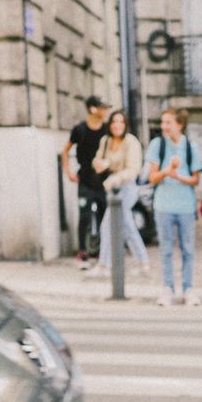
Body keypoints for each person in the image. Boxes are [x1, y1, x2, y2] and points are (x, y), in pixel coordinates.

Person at [147, 107, 202, 306]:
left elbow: (196, 179)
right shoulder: (157, 145)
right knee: (166, 249)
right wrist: (167, 171)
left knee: (188, 248)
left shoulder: (190, 147)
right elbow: (152, 178)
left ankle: (188, 288)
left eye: (168, 122)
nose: (164, 127)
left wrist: (178, 176)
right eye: (163, 123)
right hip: (163, 204)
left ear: (179, 124)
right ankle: (167, 288)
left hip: (185, 205)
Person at [87, 109, 150, 278]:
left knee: (107, 225)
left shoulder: (132, 142)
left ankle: (104, 265)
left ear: (125, 125)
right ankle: (143, 263)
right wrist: (99, 164)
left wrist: (115, 178)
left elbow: (133, 169)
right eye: (114, 122)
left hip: (127, 188)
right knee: (128, 225)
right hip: (111, 189)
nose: (117, 125)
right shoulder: (106, 141)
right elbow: (97, 159)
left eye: (121, 122)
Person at [62, 94, 111, 268]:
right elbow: (65, 151)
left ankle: (100, 252)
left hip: (104, 181)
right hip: (85, 180)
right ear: (93, 109)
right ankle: (83, 253)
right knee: (84, 216)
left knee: (104, 215)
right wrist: (68, 172)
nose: (106, 111)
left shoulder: (107, 129)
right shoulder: (80, 130)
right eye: (103, 107)